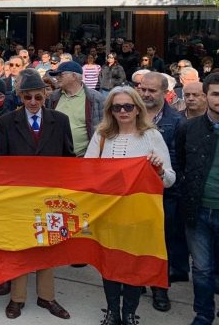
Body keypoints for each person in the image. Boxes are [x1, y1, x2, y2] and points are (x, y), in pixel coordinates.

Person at [85, 86, 174, 325]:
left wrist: (158, 169)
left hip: (140, 216)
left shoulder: (152, 136)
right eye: (117, 107)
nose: (123, 111)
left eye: (128, 106)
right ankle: (113, 312)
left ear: (137, 109)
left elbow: (169, 179)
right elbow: (87, 173)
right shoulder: (101, 135)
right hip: (109, 213)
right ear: (110, 111)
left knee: (135, 265)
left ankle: (129, 313)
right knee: (110, 264)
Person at [0, 69, 73, 320]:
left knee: (47, 245)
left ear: (45, 96)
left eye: (37, 98)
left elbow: (68, 158)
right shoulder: (6, 122)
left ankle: (46, 296)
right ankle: (17, 298)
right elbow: (1, 162)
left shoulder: (60, 120)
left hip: (50, 195)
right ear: (19, 97)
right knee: (21, 246)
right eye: (27, 97)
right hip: (19, 195)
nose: (32, 102)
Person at [138, 72, 188, 300]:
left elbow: (179, 160)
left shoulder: (177, 121)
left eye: (152, 90)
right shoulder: (129, 114)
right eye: (143, 89)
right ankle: (136, 281)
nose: (146, 94)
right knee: (136, 240)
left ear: (166, 93)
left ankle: (160, 288)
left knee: (162, 243)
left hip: (164, 193)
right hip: (135, 193)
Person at [175, 73, 219, 325]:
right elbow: (180, 162)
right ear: (206, 96)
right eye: (214, 93)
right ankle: (203, 314)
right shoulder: (188, 128)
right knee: (201, 269)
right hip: (198, 209)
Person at [48, 61, 105, 157]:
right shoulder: (53, 97)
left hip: (85, 158)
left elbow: (104, 127)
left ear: (74, 76)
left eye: (61, 75)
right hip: (58, 157)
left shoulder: (96, 98)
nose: (57, 78)